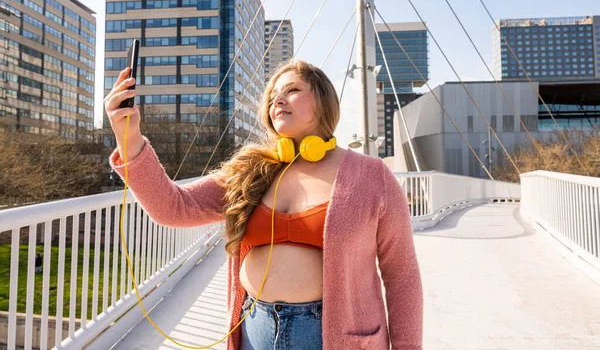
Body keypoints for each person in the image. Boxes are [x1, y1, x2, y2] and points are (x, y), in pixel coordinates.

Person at [104, 59, 423, 350]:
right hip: (253, 329)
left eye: (292, 90)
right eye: (273, 97)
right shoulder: (249, 172)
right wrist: (129, 140)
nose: (278, 100)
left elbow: (402, 276)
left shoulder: (371, 175)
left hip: (334, 338)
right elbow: (172, 207)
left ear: (324, 101)